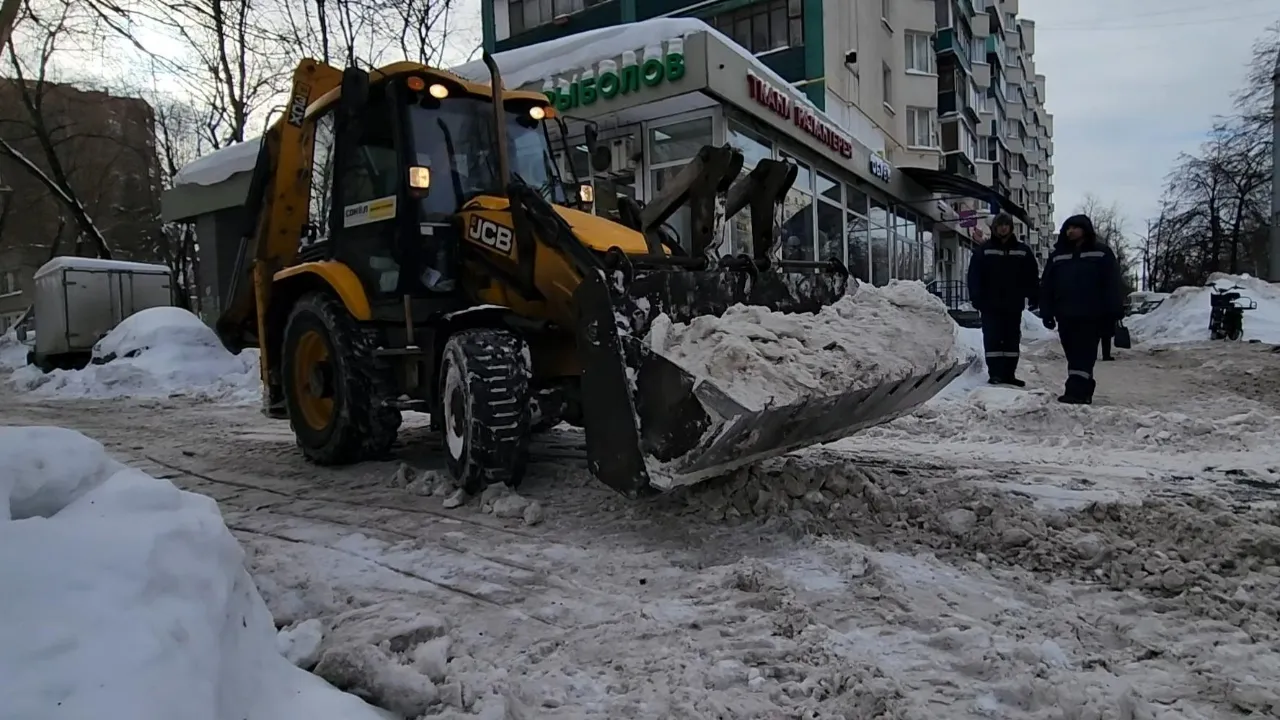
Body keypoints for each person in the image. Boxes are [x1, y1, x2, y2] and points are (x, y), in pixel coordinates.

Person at [1039, 214, 1124, 405]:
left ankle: (1075, 391)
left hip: (1092, 313)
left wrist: (1113, 311)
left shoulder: (1101, 253)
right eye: (1068, 228)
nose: (1071, 231)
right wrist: (1047, 311)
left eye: (1075, 227)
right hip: (1065, 313)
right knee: (1072, 352)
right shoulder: (1058, 255)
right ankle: (1083, 389)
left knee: (1084, 353)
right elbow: (1047, 285)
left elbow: (1112, 283)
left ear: (1085, 230)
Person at [966, 213, 1040, 387]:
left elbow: (1031, 275)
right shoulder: (984, 250)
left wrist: (1034, 296)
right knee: (992, 337)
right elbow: (974, 276)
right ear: (994, 228)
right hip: (989, 304)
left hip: (1013, 304)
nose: (1003, 228)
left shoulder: (1023, 250)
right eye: (999, 225)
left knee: (1011, 339)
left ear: (1011, 227)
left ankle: (1009, 374)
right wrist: (976, 297)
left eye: (1006, 225)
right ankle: (996, 374)